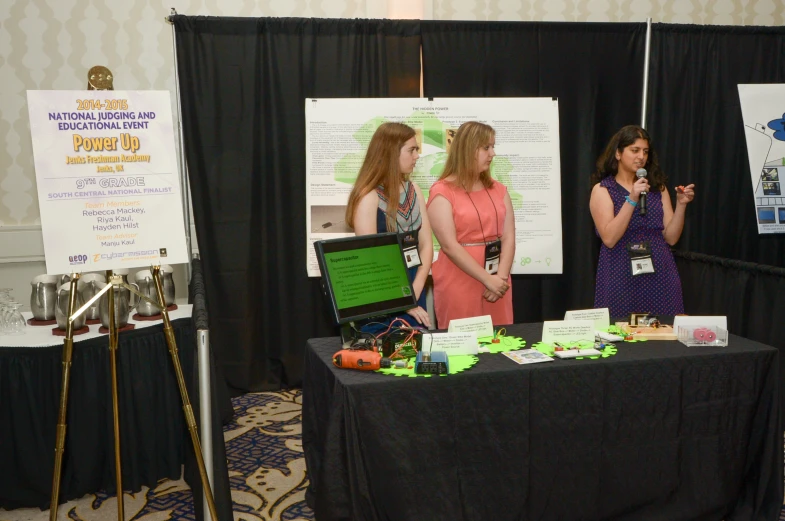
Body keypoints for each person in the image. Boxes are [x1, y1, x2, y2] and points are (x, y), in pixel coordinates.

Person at [590, 125, 695, 317]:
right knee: (621, 334)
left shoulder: (658, 188)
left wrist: (681, 205)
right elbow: (609, 238)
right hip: (619, 270)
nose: (641, 157)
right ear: (618, 153)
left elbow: (671, 238)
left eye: (645, 152)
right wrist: (632, 198)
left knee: (663, 332)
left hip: (659, 270)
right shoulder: (603, 190)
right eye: (634, 150)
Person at [426, 121, 515, 329]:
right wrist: (487, 280)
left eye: (493, 146)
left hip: (498, 282)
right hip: (460, 280)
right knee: (463, 346)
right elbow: (449, 245)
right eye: (486, 147)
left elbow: (509, 236)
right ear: (467, 149)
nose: (492, 153)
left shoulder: (498, 189)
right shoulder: (442, 192)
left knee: (500, 343)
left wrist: (499, 279)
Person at [345, 122, 433, 328]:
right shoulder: (369, 197)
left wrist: (415, 290)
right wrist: (402, 300)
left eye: (417, 150)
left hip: (413, 287)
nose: (416, 156)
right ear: (391, 153)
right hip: (382, 292)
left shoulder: (415, 190)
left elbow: (426, 245)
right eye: (411, 150)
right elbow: (372, 260)